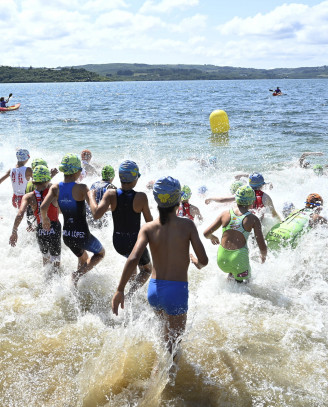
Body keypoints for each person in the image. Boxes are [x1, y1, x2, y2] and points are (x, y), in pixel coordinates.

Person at [111, 176, 208, 358]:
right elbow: (203, 260)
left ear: (156, 199)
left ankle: (157, 370)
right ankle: (164, 381)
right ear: (178, 199)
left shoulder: (148, 227)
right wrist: (196, 262)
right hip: (177, 291)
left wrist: (120, 290)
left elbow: (133, 258)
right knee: (173, 348)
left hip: (154, 291)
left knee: (164, 338)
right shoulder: (187, 225)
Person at [40, 153, 105, 284]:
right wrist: (91, 195)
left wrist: (45, 220)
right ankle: (76, 275)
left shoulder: (56, 187)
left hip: (67, 236)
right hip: (82, 235)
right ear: (78, 172)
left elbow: (42, 207)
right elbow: (96, 213)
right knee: (100, 253)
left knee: (83, 258)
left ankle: (75, 286)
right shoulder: (82, 188)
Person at [92, 160, 154, 295]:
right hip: (135, 242)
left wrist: (91, 196)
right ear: (135, 178)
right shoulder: (141, 197)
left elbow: (96, 214)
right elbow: (150, 222)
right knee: (147, 270)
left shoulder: (110, 194)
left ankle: (129, 290)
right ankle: (129, 295)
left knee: (131, 261)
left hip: (118, 243)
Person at [203, 186, 267, 283]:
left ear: (236, 199)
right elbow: (261, 244)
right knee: (243, 286)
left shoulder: (224, 214)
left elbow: (206, 233)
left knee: (231, 274)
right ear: (252, 202)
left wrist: (212, 237)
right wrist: (263, 256)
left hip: (222, 259)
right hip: (239, 260)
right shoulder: (253, 219)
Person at [10, 165, 62, 271]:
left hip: (40, 230)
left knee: (45, 259)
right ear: (48, 179)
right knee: (56, 260)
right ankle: (56, 280)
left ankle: (46, 280)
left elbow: (20, 214)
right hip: (55, 228)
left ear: (33, 182)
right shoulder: (55, 191)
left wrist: (14, 231)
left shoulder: (28, 197)